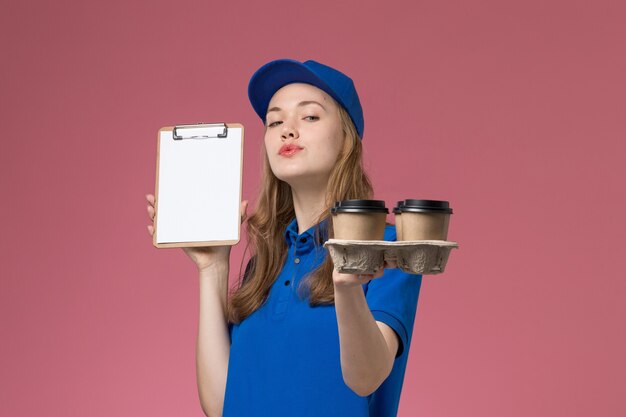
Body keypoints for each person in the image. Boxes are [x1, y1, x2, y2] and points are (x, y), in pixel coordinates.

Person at [145, 58, 422, 417]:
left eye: (309, 117)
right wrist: (212, 268)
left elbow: (367, 378)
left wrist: (347, 286)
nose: (287, 130)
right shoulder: (265, 264)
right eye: (275, 121)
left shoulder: (387, 249)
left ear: (346, 140)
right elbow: (220, 405)